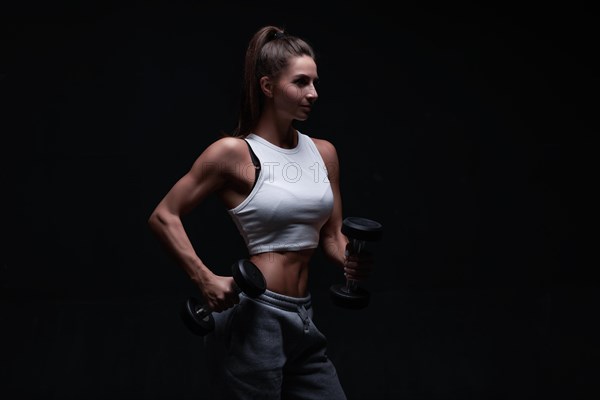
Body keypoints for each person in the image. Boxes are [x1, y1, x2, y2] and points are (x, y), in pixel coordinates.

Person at [148, 25, 374, 400]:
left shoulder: (324, 153)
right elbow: (163, 216)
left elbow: (332, 238)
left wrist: (351, 259)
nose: (313, 93)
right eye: (300, 82)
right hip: (257, 317)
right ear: (268, 86)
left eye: (315, 82)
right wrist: (204, 279)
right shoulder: (233, 154)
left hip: (304, 317)